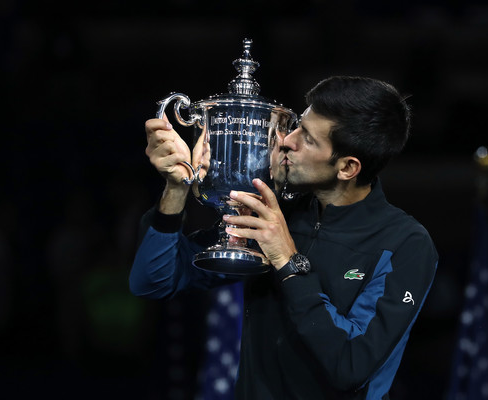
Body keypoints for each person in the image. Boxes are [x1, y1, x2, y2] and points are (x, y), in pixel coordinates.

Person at [129, 76, 438, 399]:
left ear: (347, 167)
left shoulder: (407, 244)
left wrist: (288, 263)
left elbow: (350, 366)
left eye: (307, 138)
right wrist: (176, 190)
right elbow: (153, 282)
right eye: (297, 125)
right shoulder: (280, 214)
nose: (286, 140)